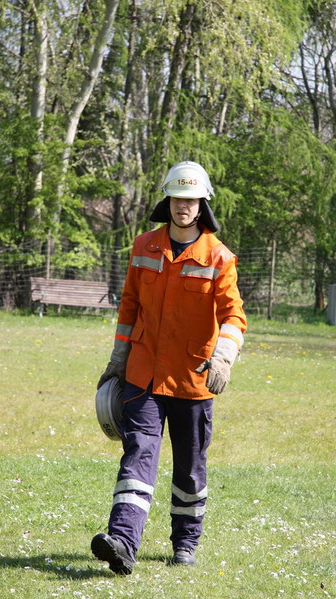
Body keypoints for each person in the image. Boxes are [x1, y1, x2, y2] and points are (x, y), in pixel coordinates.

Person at [91, 161, 247, 574]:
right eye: (178, 197)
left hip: (194, 380)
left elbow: (234, 317)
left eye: (191, 199)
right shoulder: (143, 246)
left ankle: (185, 542)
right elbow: (129, 307)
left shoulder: (219, 257)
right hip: (143, 376)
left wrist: (223, 357)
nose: (184, 206)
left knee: (190, 468)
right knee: (138, 454)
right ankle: (122, 542)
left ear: (202, 204)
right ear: (168, 200)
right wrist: (118, 360)